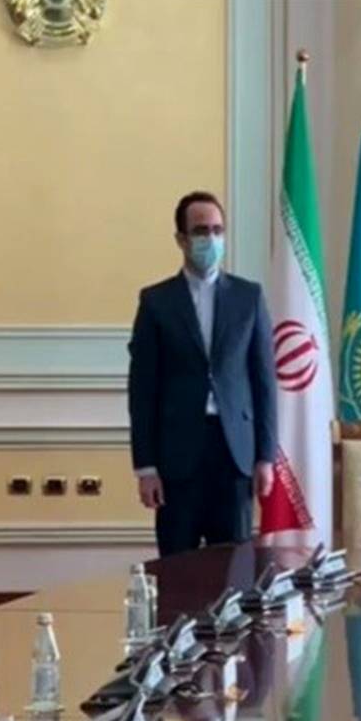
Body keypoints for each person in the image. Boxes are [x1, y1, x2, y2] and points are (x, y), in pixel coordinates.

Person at [128, 191, 278, 557]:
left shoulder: (248, 297)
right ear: (181, 239)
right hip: (176, 458)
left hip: (234, 455)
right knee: (178, 568)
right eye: (200, 231)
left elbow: (264, 382)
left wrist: (266, 456)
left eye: (217, 230)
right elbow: (142, 390)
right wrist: (146, 467)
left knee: (235, 567)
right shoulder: (156, 302)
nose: (210, 239)